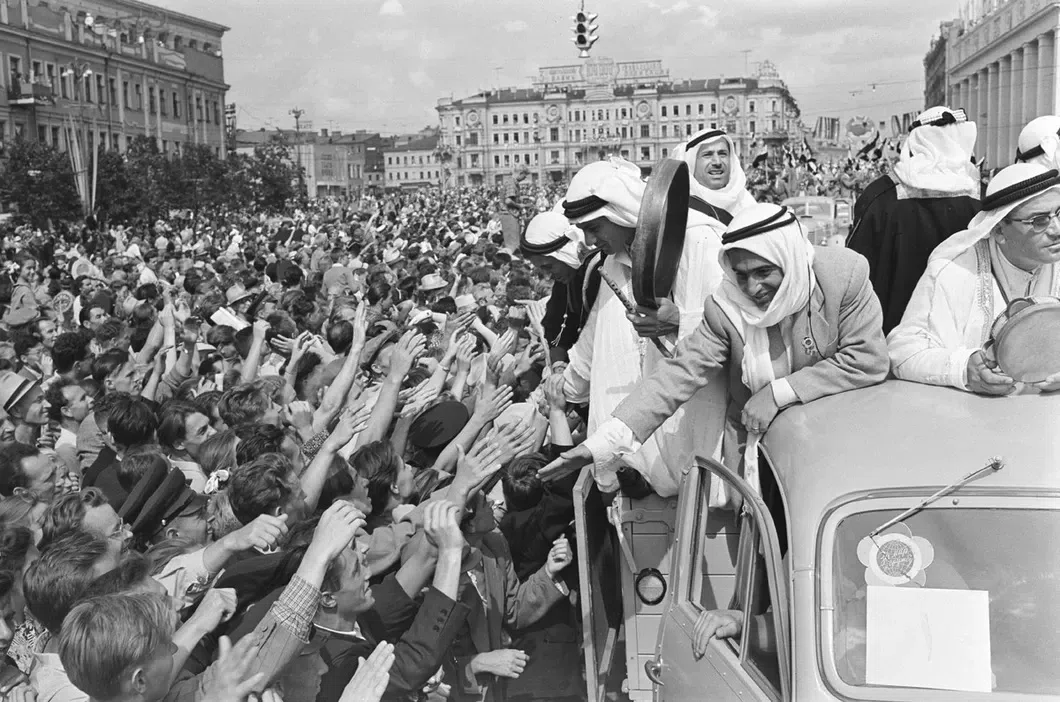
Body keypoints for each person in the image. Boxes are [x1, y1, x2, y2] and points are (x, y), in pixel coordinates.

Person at [541, 203, 889, 499]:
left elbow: (867, 360)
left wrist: (778, 393)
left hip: (839, 445)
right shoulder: (726, 305)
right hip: (761, 455)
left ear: (790, 257)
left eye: (764, 271)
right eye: (741, 275)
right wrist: (601, 444)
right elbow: (678, 375)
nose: (753, 288)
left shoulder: (841, 276)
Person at [551, 157, 728, 496]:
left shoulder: (699, 241)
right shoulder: (612, 263)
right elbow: (596, 342)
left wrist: (679, 321)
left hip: (695, 440)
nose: (588, 240)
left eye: (595, 228)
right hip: (637, 449)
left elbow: (736, 328)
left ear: (621, 211)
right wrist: (565, 387)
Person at [888, 161, 1060, 394]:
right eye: (1039, 221)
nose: (1057, 229)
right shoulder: (955, 272)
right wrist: (964, 369)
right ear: (999, 231)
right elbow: (902, 352)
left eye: (1059, 213)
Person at [847, 106, 981, 333]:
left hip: (890, 330)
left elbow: (854, 269)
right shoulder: (983, 196)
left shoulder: (879, 195)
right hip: (963, 330)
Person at [518, 210, 603, 366]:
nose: (548, 276)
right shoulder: (565, 280)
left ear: (565, 254)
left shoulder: (599, 272)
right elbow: (559, 330)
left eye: (549, 266)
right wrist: (557, 362)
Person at [671, 128, 757, 232]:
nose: (717, 162)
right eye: (707, 155)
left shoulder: (746, 201)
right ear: (692, 163)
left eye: (722, 154)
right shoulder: (679, 209)